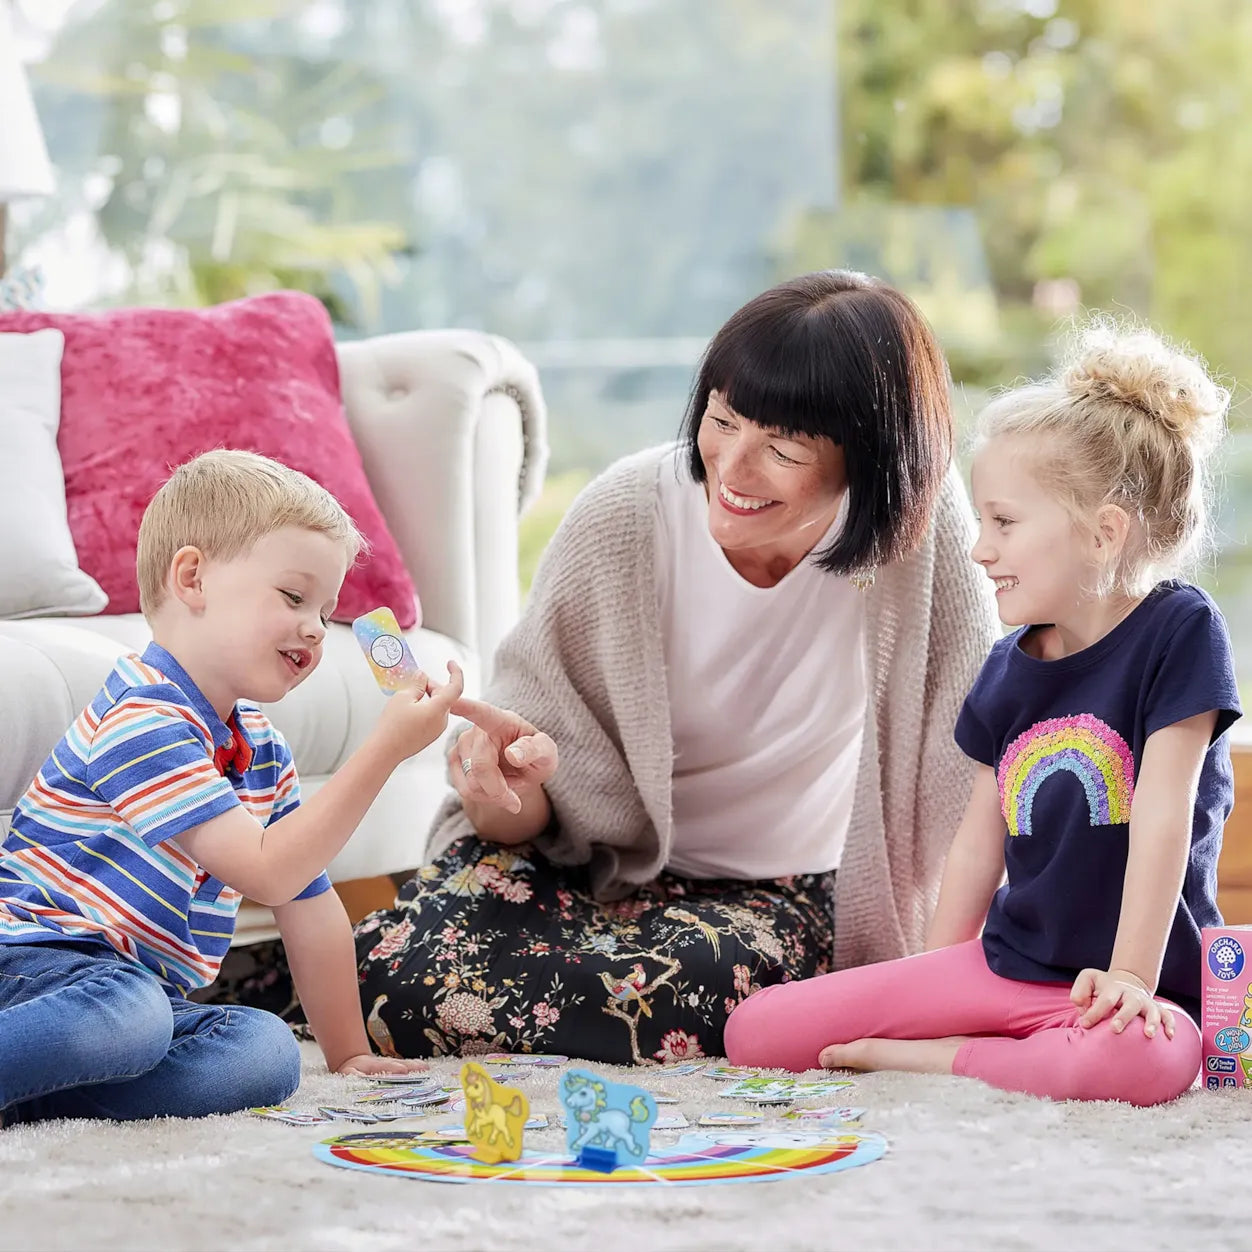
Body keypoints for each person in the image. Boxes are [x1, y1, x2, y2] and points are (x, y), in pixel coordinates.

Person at [353, 269, 1000, 1065]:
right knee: (404, 977)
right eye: (723, 420)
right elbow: (515, 822)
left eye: (784, 449)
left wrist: (942, 985)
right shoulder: (625, 515)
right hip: (588, 872)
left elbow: (974, 774)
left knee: (680, 999)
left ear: (871, 458)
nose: (732, 467)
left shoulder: (922, 542)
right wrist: (506, 787)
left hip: (780, 894)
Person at [724, 318, 1241, 1106]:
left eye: (1003, 522)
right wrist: (928, 984)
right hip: (1009, 970)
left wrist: (1131, 975)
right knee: (755, 1031)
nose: (978, 548)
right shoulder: (1007, 666)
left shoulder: (1179, 631)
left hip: (1127, 991)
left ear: (1103, 534)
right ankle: (980, 1045)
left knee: (1151, 1062)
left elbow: (1164, 814)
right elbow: (978, 844)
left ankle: (936, 1062)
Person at [0, 451, 457, 1125]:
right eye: (294, 597)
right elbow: (268, 871)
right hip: (34, 969)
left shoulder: (261, 748)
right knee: (132, 1018)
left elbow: (307, 901)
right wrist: (384, 749)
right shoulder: (144, 717)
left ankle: (32, 1093)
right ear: (193, 578)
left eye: (326, 610)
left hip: (139, 993)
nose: (314, 626)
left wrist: (349, 1053)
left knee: (264, 1050)